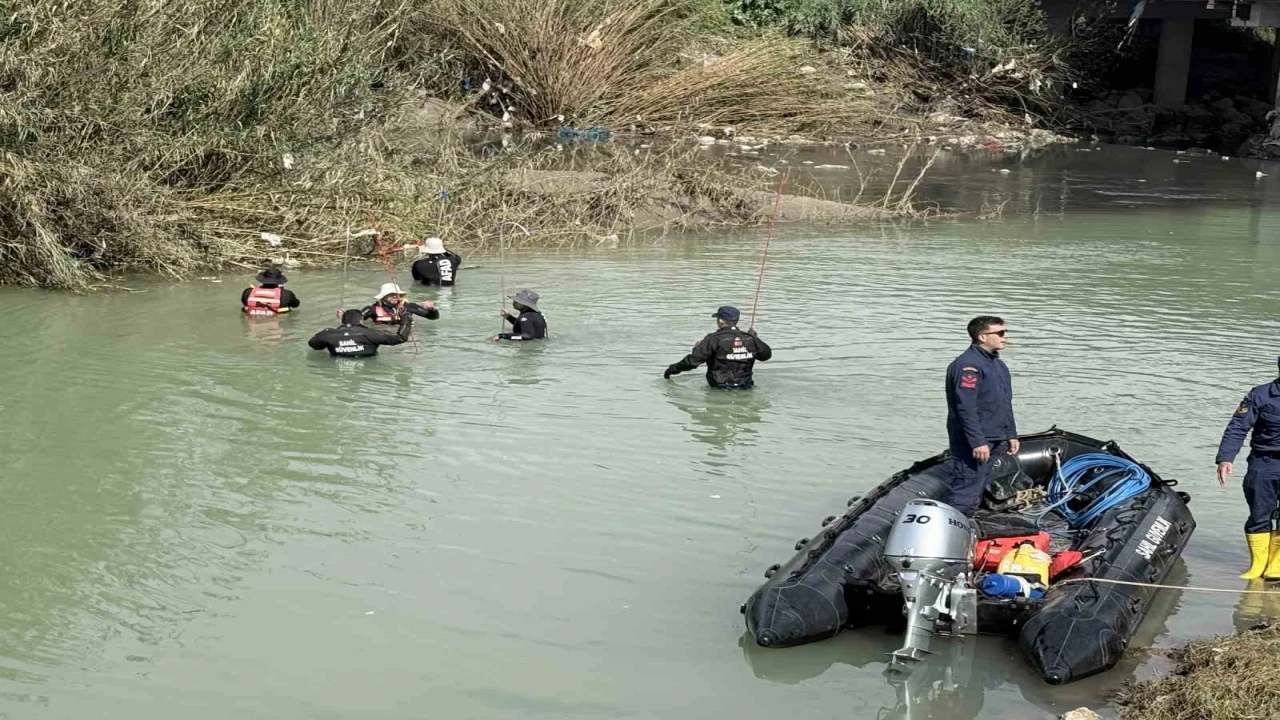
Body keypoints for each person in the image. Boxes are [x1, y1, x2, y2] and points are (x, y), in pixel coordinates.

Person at [945, 316, 1019, 516]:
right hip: (975, 440)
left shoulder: (998, 365)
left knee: (979, 484)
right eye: (1000, 333)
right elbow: (965, 407)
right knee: (966, 488)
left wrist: (1010, 434)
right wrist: (977, 442)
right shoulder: (968, 366)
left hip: (996, 436)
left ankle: (969, 522)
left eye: (1006, 332)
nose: (1006, 336)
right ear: (982, 336)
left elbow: (1004, 402)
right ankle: (954, 524)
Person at [1215, 355, 1280, 579]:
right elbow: (1238, 427)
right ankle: (1257, 565)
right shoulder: (1260, 394)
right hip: (1264, 462)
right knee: (1259, 513)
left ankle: (1276, 565)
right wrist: (1226, 458)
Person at [663, 306, 772, 389]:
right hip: (746, 387)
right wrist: (755, 339)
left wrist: (672, 370)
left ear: (720, 321)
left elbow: (692, 362)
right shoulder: (750, 339)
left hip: (719, 389)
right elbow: (766, 356)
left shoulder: (713, 339)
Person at [308, 309, 413, 357]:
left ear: (343, 321)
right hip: (368, 364)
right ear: (361, 320)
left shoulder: (328, 334)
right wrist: (406, 320)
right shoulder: (370, 333)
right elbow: (401, 338)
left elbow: (314, 345)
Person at [361, 283, 439, 325]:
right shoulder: (372, 309)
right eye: (391, 294)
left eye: (397, 294)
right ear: (383, 296)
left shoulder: (409, 306)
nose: (395, 296)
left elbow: (433, 317)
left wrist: (431, 309)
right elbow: (355, 320)